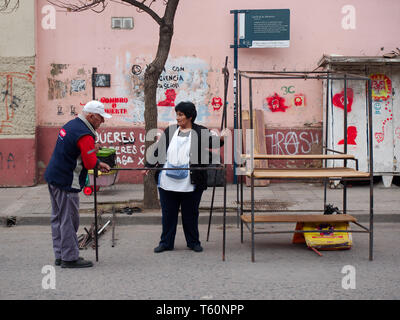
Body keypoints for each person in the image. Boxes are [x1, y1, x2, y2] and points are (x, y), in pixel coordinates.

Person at [146, 101, 228, 253]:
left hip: (191, 181)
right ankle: (166, 242)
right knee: (168, 215)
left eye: (181, 115)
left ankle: (193, 242)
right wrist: (149, 165)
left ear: (190, 116)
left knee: (190, 214)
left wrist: (223, 138)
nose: (177, 118)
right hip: (167, 181)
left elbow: (214, 143)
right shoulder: (170, 131)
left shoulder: (200, 131)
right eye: (177, 114)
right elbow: (159, 149)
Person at [45, 100, 112, 268]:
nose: (102, 121)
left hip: (54, 176)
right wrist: (95, 153)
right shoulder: (84, 134)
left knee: (58, 218)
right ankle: (69, 258)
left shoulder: (72, 125)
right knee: (69, 220)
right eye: (100, 118)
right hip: (67, 180)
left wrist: (97, 161)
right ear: (90, 116)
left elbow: (80, 154)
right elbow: (88, 162)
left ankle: (60, 254)